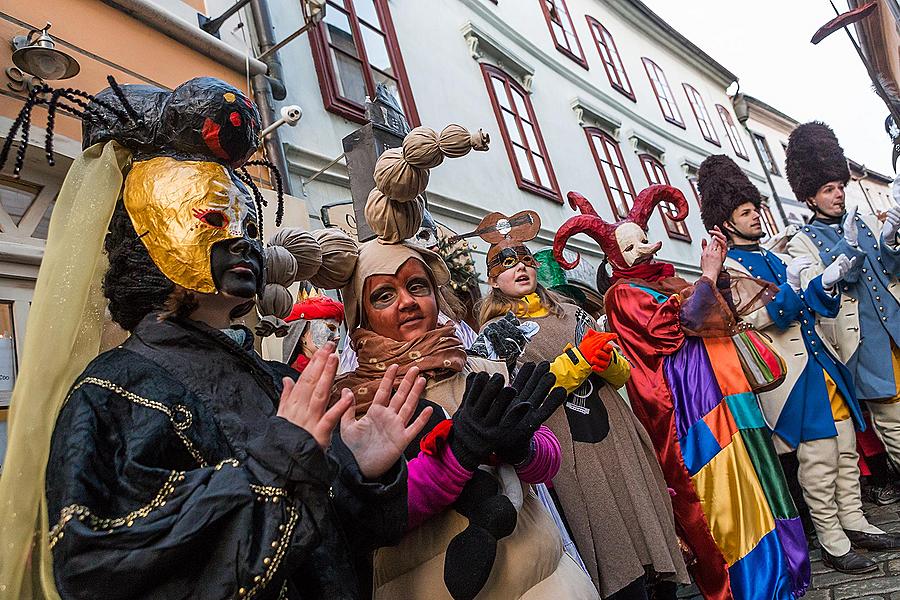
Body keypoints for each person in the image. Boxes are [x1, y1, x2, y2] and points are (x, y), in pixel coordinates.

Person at [0, 77, 433, 599]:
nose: (243, 243)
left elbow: (336, 541)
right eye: (211, 218)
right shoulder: (111, 392)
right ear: (147, 233)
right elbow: (97, 566)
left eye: (249, 225)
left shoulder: (273, 378)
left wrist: (358, 468)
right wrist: (276, 463)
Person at [332, 123, 599, 599]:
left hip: (543, 578)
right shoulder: (353, 403)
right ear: (362, 317)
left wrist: (523, 449)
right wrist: (459, 457)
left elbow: (545, 465)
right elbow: (370, 516)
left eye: (417, 287)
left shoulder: (481, 367)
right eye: (384, 295)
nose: (408, 303)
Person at [554, 185, 810, 600]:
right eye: (631, 244)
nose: (644, 246)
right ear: (615, 257)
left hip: (723, 392)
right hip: (691, 407)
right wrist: (706, 276)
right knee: (720, 492)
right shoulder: (621, 294)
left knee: (753, 478)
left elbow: (712, 319)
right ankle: (748, 587)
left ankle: (783, 573)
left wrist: (716, 273)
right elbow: (669, 329)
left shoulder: (664, 278)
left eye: (642, 236)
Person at [698, 154, 900, 574]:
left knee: (845, 451)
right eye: (746, 213)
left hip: (821, 364)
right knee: (819, 460)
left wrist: (824, 283)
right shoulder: (730, 269)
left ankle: (856, 521)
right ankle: (832, 537)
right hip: (790, 379)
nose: (757, 218)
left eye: (756, 210)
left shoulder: (771, 256)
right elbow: (760, 315)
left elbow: (814, 305)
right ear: (727, 222)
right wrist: (800, 287)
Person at [471, 211, 688, 600]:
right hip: (564, 445)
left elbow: (621, 374)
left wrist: (609, 362)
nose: (519, 267)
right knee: (607, 537)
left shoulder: (573, 312)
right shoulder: (495, 334)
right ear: (492, 279)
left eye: (525, 258)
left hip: (616, 433)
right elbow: (516, 396)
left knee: (643, 519)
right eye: (506, 262)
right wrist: (579, 361)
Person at [784, 122, 900, 520]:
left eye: (840, 186)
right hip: (865, 349)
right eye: (829, 189)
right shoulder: (801, 240)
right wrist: (845, 245)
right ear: (810, 196)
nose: (838, 194)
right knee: (895, 428)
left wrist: (890, 236)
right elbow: (829, 287)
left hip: (897, 330)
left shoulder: (864, 222)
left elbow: (890, 268)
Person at [279, 286, 345, 373]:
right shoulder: (298, 377)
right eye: (330, 328)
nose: (337, 337)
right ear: (302, 335)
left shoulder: (325, 369)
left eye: (337, 330)